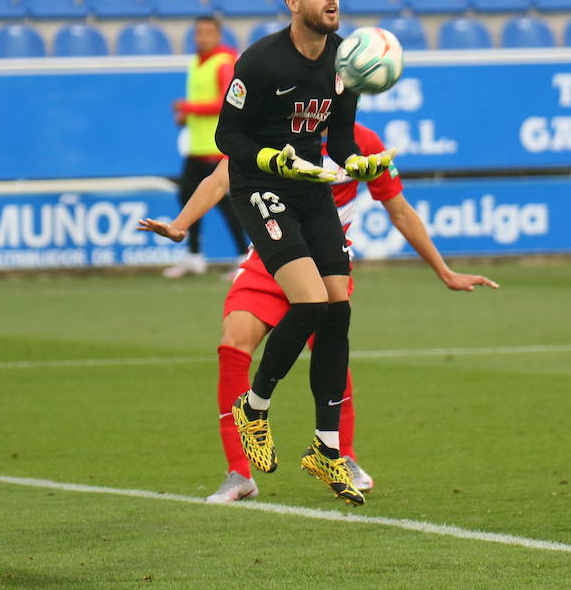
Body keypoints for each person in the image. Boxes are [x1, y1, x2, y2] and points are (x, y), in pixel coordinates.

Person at [138, 122, 498, 504]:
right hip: (272, 256)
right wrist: (179, 226)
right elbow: (219, 179)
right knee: (233, 343)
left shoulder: (364, 141)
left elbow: (399, 210)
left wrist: (444, 271)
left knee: (330, 352)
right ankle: (239, 473)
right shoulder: (272, 128)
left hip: (328, 264)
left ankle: (341, 455)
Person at [213, 0, 395, 505]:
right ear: (293, 2)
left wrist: (356, 163)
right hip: (262, 188)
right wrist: (272, 159)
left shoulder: (344, 61)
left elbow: (338, 137)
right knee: (312, 304)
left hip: (311, 188)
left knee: (337, 308)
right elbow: (227, 136)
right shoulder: (263, 61)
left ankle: (326, 449)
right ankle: (256, 405)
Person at [164, 15, 247, 279]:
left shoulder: (223, 63)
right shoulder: (196, 63)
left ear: (218, 34)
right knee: (187, 196)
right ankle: (194, 256)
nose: (202, 37)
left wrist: (188, 107)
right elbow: (203, 101)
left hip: (218, 146)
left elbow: (226, 102)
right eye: (198, 32)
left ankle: (243, 257)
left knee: (225, 202)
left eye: (207, 32)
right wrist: (187, 117)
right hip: (197, 146)